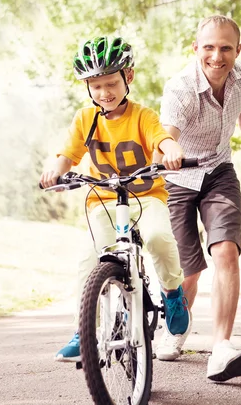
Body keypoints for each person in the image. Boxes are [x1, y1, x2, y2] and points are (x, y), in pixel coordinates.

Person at [40, 36, 191, 362]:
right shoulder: (85, 119)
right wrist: (55, 170)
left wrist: (172, 150)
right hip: (104, 202)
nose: (104, 92)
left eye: (111, 83)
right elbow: (67, 154)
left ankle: (173, 293)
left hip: (145, 196)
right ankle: (86, 331)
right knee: (89, 260)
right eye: (95, 86)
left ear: (129, 78)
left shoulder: (142, 116)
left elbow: (161, 138)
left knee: (158, 237)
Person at [155, 16, 241, 382]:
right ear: (195, 49)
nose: (217, 56)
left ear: (238, 49)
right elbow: (166, 133)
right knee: (190, 271)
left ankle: (221, 347)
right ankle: (175, 330)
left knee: (225, 252)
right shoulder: (180, 89)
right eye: (209, 47)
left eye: (225, 48)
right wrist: (168, 149)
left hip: (219, 172)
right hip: (178, 179)